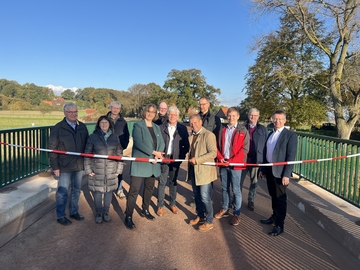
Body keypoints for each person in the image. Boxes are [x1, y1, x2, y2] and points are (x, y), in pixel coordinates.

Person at [124, 104, 165, 229]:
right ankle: (129, 216)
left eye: (153, 112)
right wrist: (154, 154)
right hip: (141, 164)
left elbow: (162, 143)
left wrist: (157, 156)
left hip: (153, 164)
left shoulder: (157, 127)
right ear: (144, 112)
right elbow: (139, 143)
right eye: (148, 111)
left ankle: (145, 210)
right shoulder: (138, 125)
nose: (150, 114)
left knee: (149, 189)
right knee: (134, 191)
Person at [48, 102, 89, 226]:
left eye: (75, 112)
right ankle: (60, 215)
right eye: (70, 112)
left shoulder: (82, 126)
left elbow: (88, 145)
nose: (73, 114)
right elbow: (52, 148)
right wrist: (55, 166)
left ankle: (73, 211)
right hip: (64, 166)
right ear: (65, 113)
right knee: (62, 191)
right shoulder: (58, 128)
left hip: (79, 165)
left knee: (76, 190)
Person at [260, 110, 298, 236]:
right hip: (270, 170)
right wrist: (264, 169)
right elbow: (267, 152)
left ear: (285, 120)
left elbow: (290, 156)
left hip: (281, 172)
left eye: (280, 119)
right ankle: (274, 216)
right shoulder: (271, 134)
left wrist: (287, 174)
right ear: (272, 119)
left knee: (280, 199)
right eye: (275, 119)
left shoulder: (290, 135)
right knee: (273, 195)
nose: (277, 121)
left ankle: (279, 225)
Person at [84, 116, 123, 224]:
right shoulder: (93, 137)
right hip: (97, 169)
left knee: (108, 192)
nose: (104, 125)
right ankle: (98, 213)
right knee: (97, 192)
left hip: (111, 169)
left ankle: (106, 212)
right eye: (102, 123)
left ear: (110, 124)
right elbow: (87, 154)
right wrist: (88, 169)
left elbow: (119, 154)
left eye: (106, 122)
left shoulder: (115, 137)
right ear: (98, 124)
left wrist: (119, 169)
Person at [215, 107, 249, 226]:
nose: (231, 118)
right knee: (224, 188)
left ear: (238, 117)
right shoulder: (222, 130)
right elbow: (217, 147)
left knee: (236, 190)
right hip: (223, 164)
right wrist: (220, 157)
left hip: (236, 165)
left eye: (234, 115)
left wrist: (232, 161)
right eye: (229, 115)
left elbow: (245, 149)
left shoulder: (243, 130)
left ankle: (236, 213)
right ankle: (225, 209)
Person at [157, 106, 189, 216]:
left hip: (175, 159)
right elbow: (157, 143)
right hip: (164, 158)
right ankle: (160, 205)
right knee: (162, 182)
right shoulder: (161, 127)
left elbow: (186, 145)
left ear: (178, 116)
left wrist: (181, 156)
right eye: (170, 114)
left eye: (174, 115)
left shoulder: (182, 129)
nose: (172, 116)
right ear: (168, 115)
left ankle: (172, 203)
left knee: (173, 182)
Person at [188, 114, 217, 232]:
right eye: (191, 123)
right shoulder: (192, 136)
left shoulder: (209, 135)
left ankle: (209, 221)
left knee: (205, 197)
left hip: (204, 172)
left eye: (195, 122)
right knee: (197, 196)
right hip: (194, 171)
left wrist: (198, 160)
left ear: (201, 122)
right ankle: (200, 216)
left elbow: (213, 153)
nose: (193, 125)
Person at [240, 108, 268, 211]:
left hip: (256, 159)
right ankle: (236, 199)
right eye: (251, 115)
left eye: (255, 115)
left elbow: (266, 146)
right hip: (243, 159)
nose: (253, 117)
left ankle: (251, 200)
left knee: (254, 182)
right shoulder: (242, 127)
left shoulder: (263, 129)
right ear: (248, 116)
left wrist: (264, 164)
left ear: (258, 117)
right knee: (239, 181)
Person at [106, 101, 130, 199]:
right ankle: (107, 189)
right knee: (106, 170)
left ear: (119, 110)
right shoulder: (104, 119)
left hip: (118, 150)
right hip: (106, 150)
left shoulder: (123, 121)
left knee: (118, 170)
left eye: (117, 108)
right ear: (110, 108)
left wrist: (123, 145)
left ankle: (119, 189)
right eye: (114, 108)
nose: (115, 110)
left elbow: (127, 135)